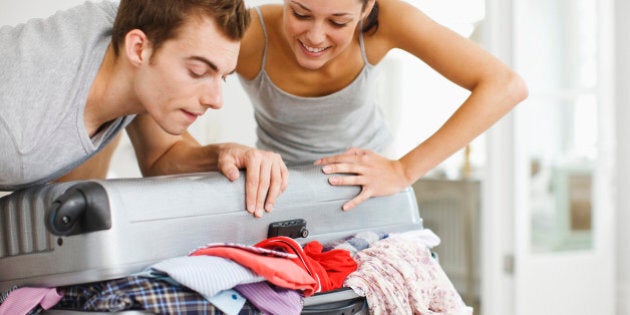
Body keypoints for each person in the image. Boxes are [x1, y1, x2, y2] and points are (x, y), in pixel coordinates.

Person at [0, 0, 287, 218]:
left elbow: (162, 155)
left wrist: (226, 154)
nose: (216, 99)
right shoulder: (15, 130)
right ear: (138, 48)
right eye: (198, 71)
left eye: (222, 76)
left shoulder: (141, 41)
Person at [235, 0, 528, 210]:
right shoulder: (248, 34)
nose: (314, 36)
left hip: (372, 184)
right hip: (283, 188)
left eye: (338, 22)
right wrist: (219, 152)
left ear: (366, 9)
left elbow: (506, 85)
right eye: (300, 13)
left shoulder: (389, 19)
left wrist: (403, 171)